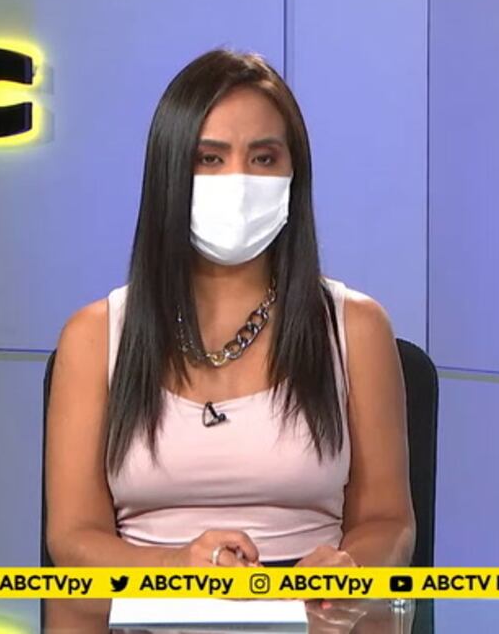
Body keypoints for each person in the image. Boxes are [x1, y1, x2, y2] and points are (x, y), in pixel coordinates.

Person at [45, 48, 415, 570]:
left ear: (294, 174)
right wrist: (180, 570)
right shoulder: (95, 336)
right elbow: (73, 539)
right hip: (150, 608)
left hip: (309, 611)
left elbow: (388, 522)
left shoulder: (356, 327)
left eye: (264, 159)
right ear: (170, 172)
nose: (239, 182)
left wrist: (347, 570)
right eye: (210, 159)